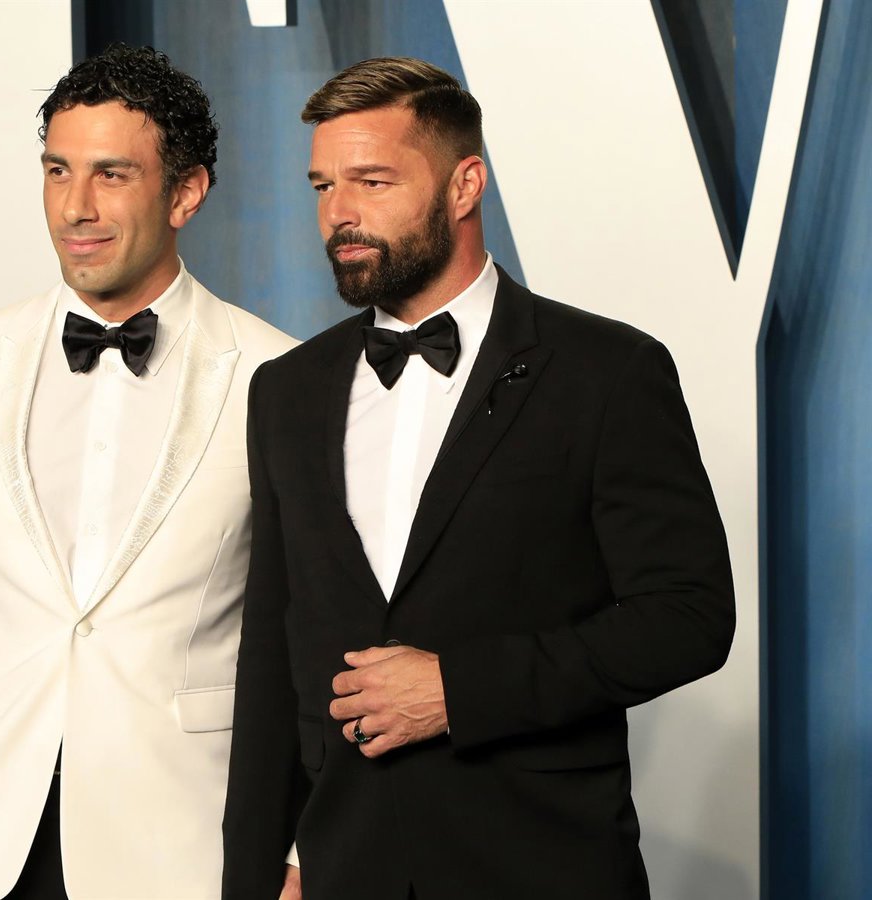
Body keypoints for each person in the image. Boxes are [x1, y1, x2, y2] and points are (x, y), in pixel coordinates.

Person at [222, 57, 735, 900]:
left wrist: (457, 690)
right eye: (322, 186)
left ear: (465, 185)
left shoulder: (606, 371)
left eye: (372, 181)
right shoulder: (287, 390)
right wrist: (261, 865)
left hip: (542, 866)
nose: (339, 213)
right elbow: (275, 654)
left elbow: (689, 617)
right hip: (342, 870)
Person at [0, 45, 296, 900]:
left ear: (186, 192)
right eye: (58, 170)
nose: (75, 207)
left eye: (111, 175)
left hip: (180, 850)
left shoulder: (275, 376)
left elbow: (309, 633)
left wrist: (299, 844)